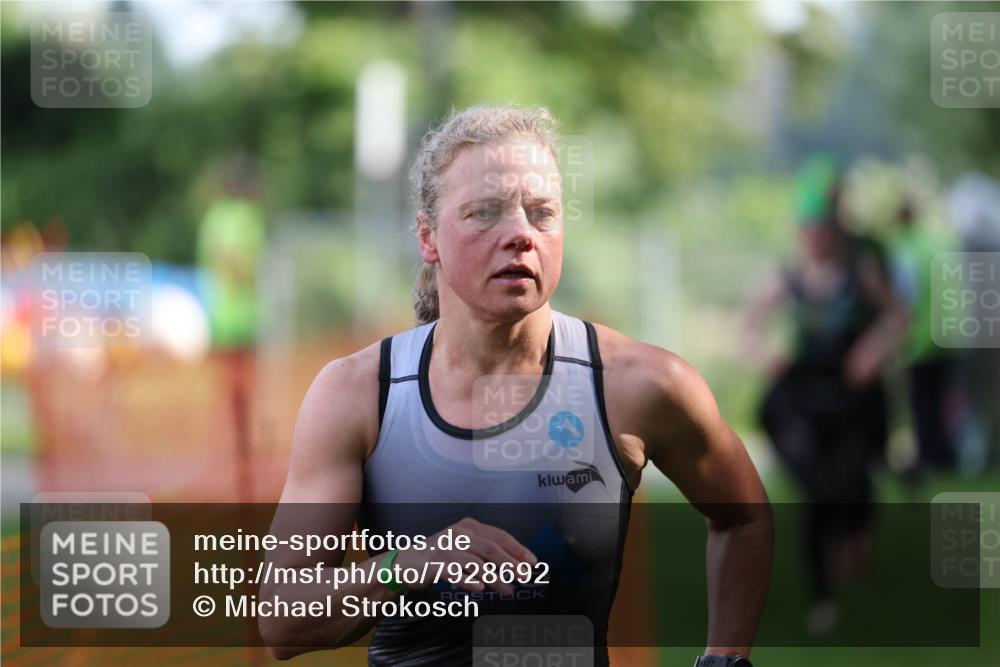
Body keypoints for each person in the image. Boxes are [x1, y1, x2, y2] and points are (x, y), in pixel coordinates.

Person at [261, 105, 773, 667]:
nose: (521, 236)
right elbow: (283, 624)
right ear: (428, 238)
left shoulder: (642, 384)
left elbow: (742, 516)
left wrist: (724, 659)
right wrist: (410, 566)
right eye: (486, 214)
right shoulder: (360, 393)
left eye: (542, 214)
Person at [744, 158, 905, 635]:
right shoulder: (786, 276)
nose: (815, 238)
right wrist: (766, 354)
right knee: (817, 495)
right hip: (805, 399)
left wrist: (871, 351)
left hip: (853, 398)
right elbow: (746, 330)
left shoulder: (861, 271)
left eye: (823, 228)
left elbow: (897, 318)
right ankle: (822, 596)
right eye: (807, 229)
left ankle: (856, 532)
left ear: (836, 230)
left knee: (854, 481)